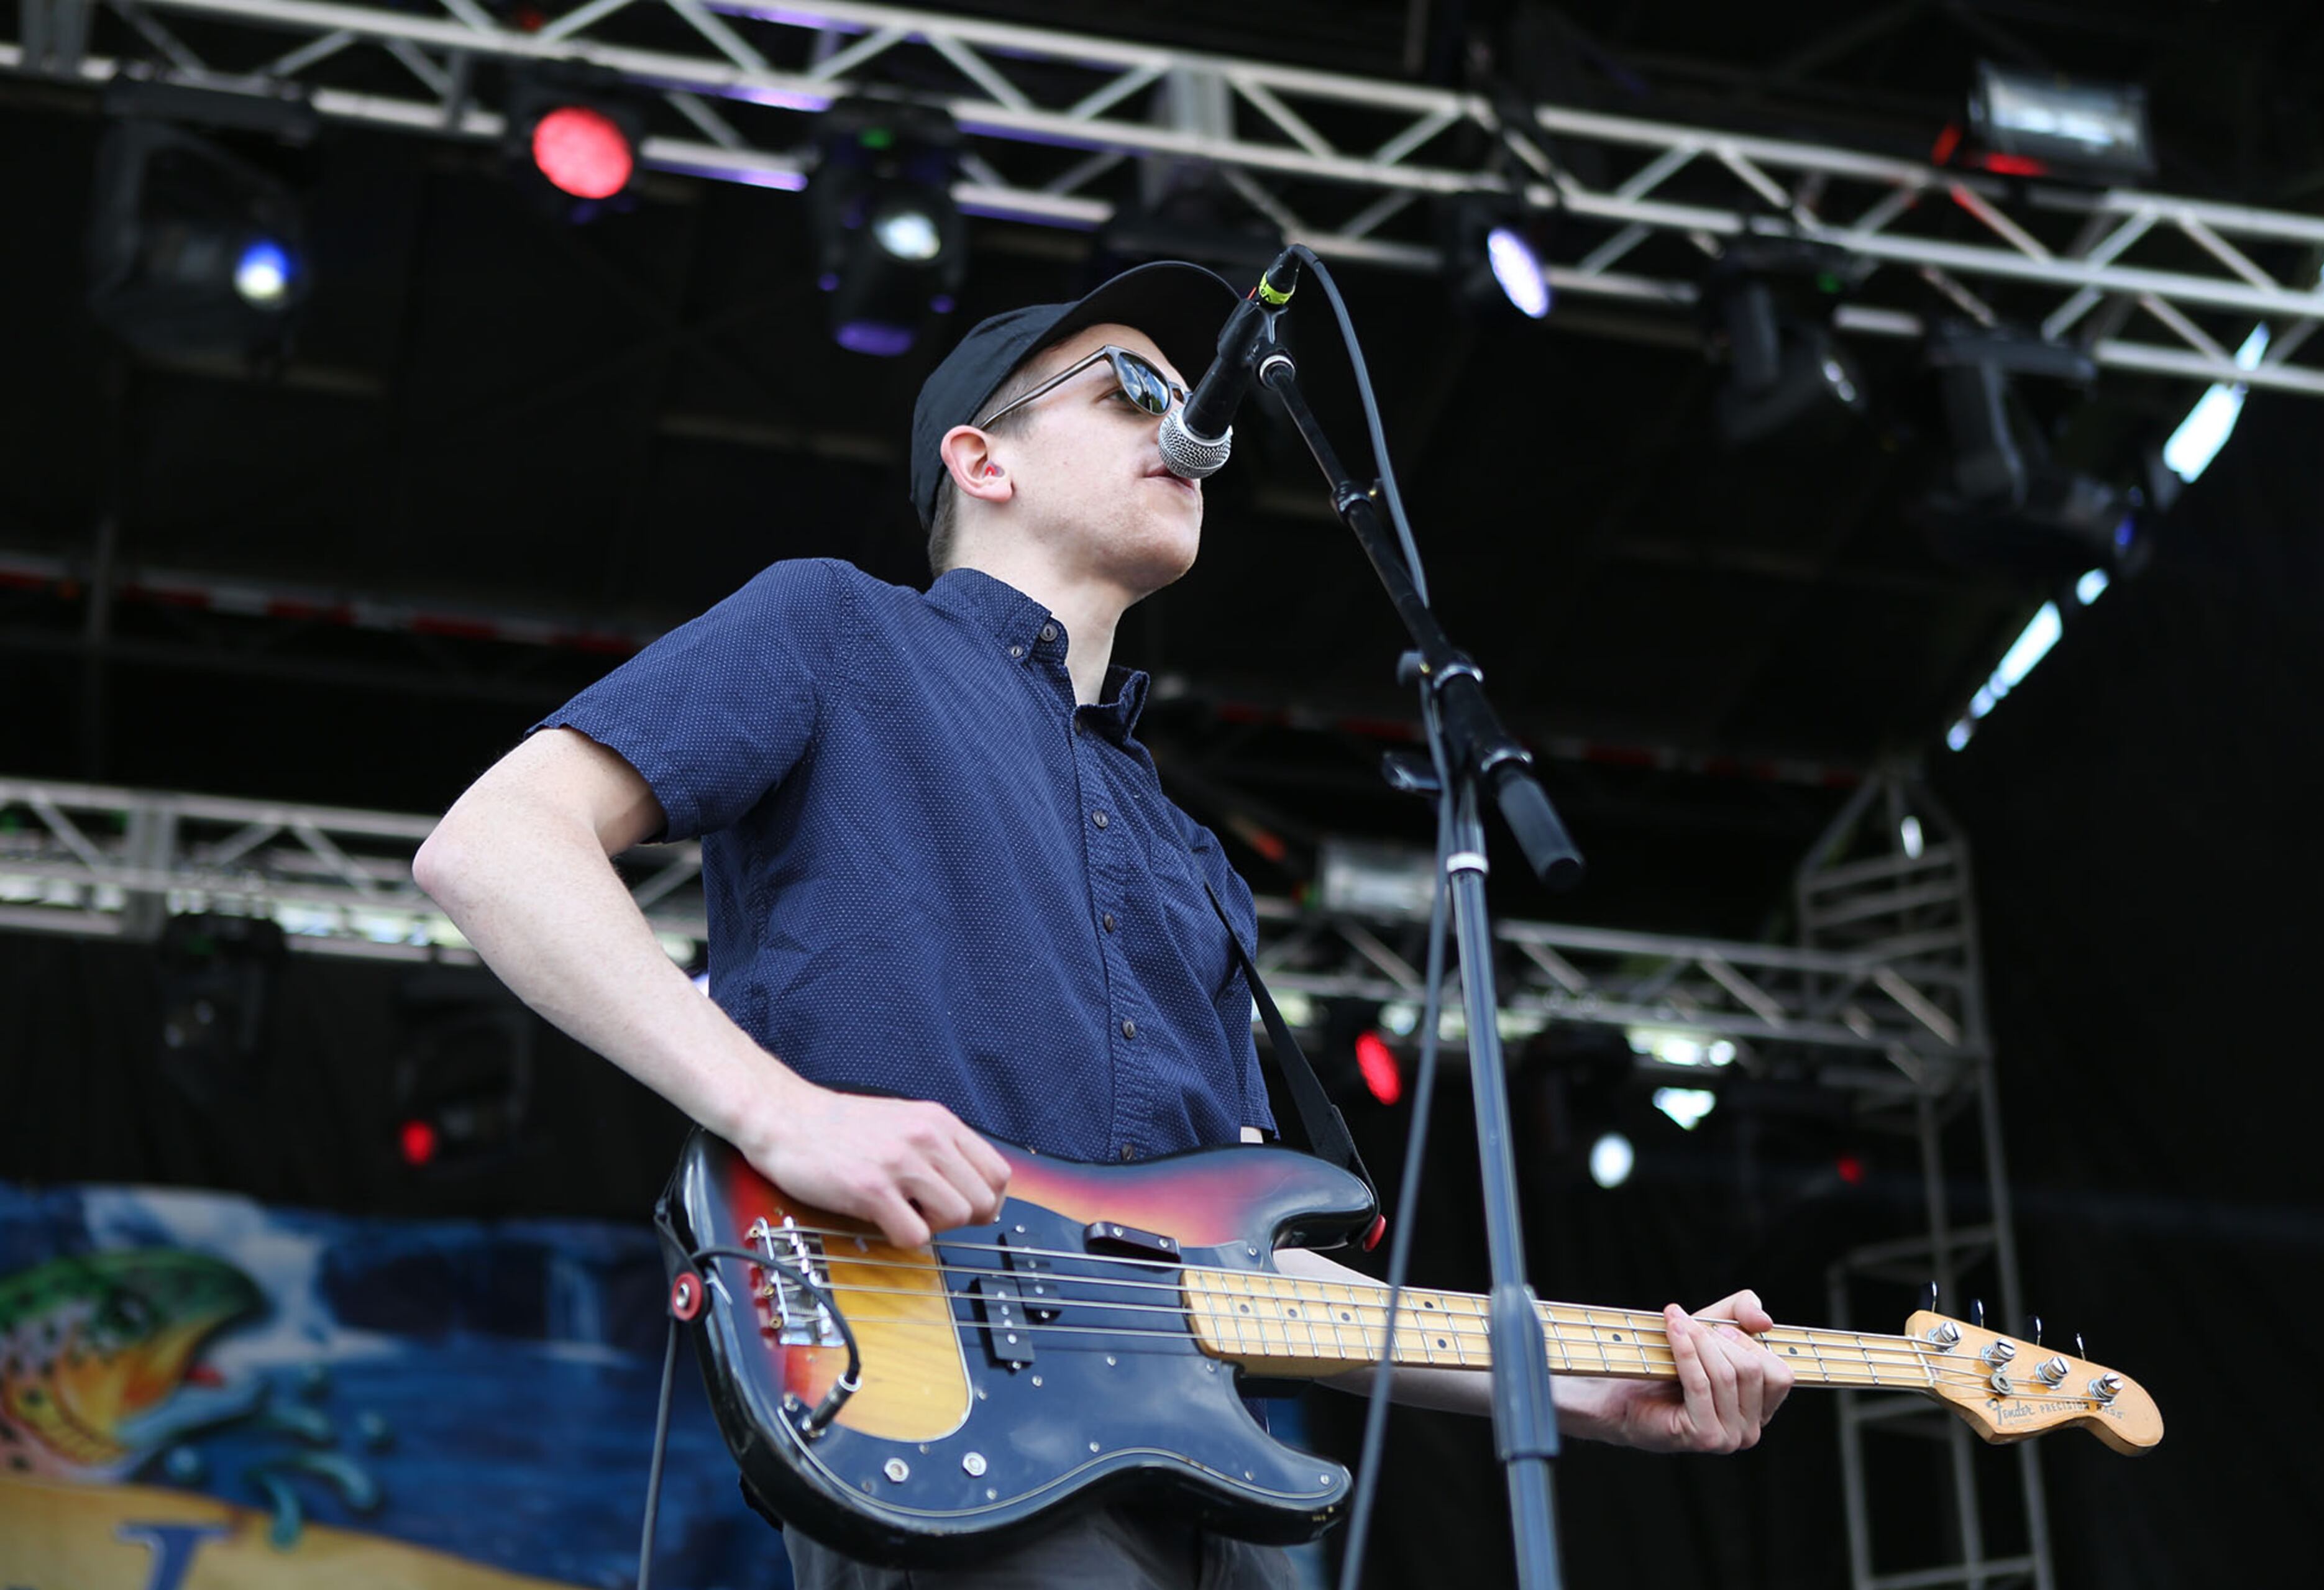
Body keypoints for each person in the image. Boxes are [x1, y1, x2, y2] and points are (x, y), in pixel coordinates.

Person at [412, 261, 1793, 1589]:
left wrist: (1571, 1377)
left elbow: (1240, 1267)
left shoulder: (1190, 855)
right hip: (945, 1430)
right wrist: (781, 1114)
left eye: (1190, 395)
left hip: (1205, 1492)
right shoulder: (835, 628)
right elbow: (495, 846)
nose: (1185, 419)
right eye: (1131, 386)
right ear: (981, 461)